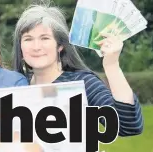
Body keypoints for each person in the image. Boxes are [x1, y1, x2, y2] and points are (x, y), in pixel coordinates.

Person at [12, 2, 143, 136]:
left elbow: (128, 125)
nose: (36, 46)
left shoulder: (82, 83)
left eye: (45, 38)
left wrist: (112, 65)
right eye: (28, 39)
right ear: (20, 47)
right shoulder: (14, 84)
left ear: (60, 45)